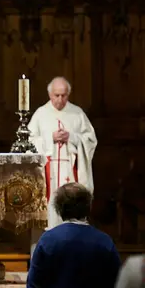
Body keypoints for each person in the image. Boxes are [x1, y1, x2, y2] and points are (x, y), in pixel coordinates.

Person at [25, 183, 121, 288]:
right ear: (89, 207)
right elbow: (116, 284)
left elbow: (34, 286)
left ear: (59, 209)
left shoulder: (48, 240)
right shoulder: (104, 241)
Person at [29, 77, 98, 229]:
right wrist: (49, 138)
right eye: (57, 95)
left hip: (71, 172)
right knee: (50, 216)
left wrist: (72, 137)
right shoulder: (41, 114)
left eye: (64, 95)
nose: (60, 99)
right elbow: (29, 142)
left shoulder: (77, 113)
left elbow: (90, 140)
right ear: (50, 95)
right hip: (49, 173)